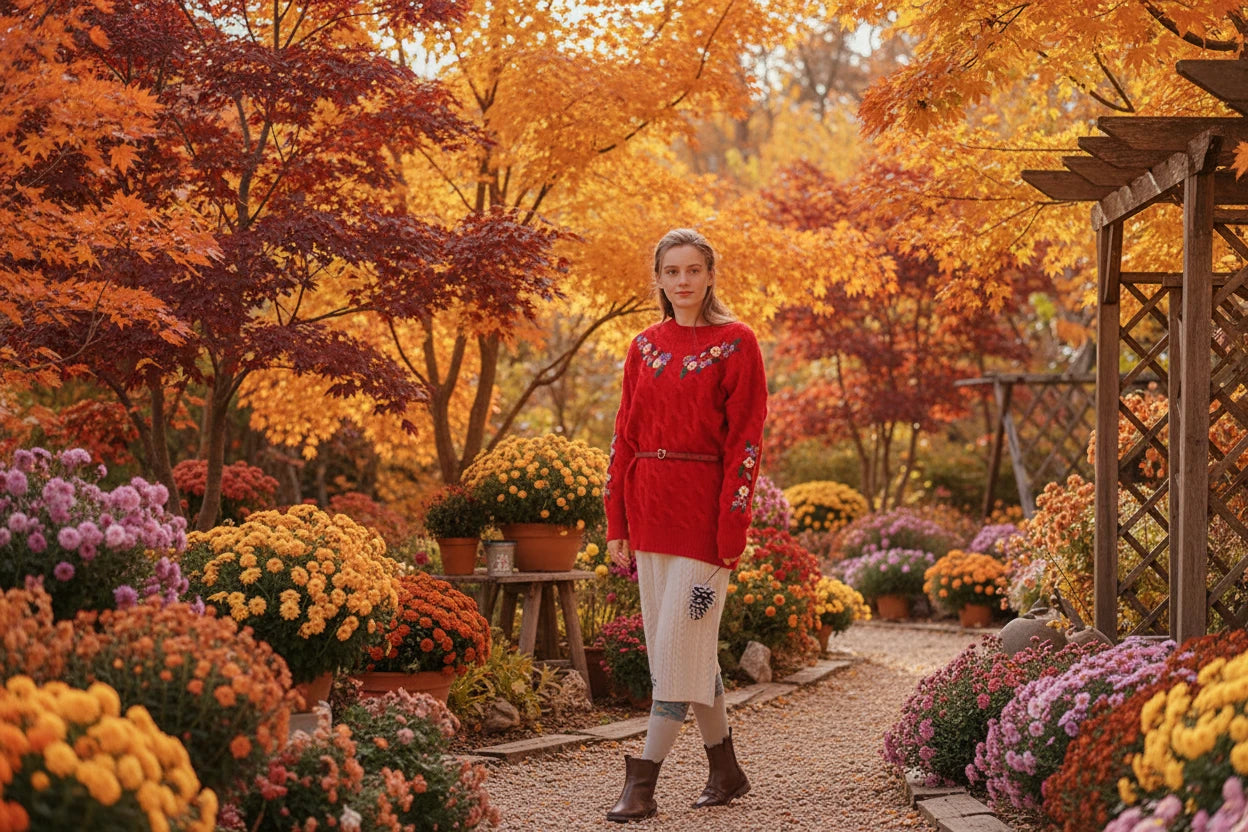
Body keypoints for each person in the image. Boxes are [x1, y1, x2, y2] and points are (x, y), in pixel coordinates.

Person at [603, 228, 768, 822]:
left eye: (693, 269)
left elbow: (746, 443)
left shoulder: (736, 342)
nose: (683, 281)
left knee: (676, 650)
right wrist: (615, 521)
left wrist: (733, 530)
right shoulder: (642, 346)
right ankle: (725, 770)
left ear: (709, 274)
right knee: (687, 652)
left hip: (704, 531)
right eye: (672, 271)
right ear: (659, 279)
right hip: (649, 518)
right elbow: (624, 437)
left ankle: (641, 784)